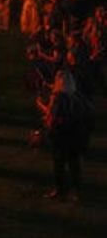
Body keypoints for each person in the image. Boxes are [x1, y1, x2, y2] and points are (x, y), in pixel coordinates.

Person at [35, 70, 92, 201]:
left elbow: (53, 116)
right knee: (74, 165)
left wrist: (40, 105)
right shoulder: (77, 96)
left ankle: (60, 191)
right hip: (76, 137)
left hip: (61, 136)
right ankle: (76, 192)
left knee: (59, 165)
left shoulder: (58, 98)